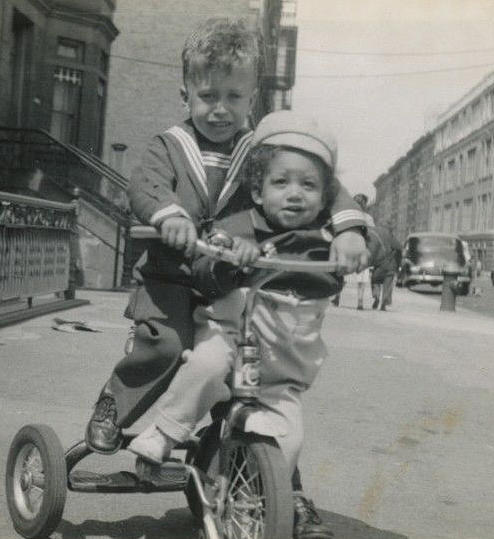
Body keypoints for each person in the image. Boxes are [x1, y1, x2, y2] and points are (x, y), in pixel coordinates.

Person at [85, 18, 368, 538]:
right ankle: (114, 405)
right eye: (207, 95)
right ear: (186, 93)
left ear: (252, 99)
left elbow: (326, 187)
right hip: (171, 277)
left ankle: (285, 491)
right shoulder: (169, 145)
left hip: (228, 284)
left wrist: (349, 231)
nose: (219, 108)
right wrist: (169, 214)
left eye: (233, 97)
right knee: (168, 347)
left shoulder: (260, 152)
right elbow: (144, 187)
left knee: (254, 386)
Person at [127, 110, 349, 538]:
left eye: (309, 185)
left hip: (282, 369)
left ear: (324, 199)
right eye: (281, 183)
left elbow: (370, 242)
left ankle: (262, 500)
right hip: (232, 340)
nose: (295, 194)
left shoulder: (327, 241)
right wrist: (231, 260)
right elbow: (206, 270)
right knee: (206, 366)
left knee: (289, 437)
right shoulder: (239, 225)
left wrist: (357, 244)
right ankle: (164, 432)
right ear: (259, 191)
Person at [331, 193, 375, 309]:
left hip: (347, 249)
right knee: (361, 279)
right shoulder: (368, 218)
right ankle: (359, 302)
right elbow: (372, 235)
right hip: (361, 249)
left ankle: (337, 296)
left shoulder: (347, 215)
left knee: (343, 275)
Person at [369, 225, 401, 311]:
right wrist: (398, 267)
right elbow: (400, 248)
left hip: (379, 266)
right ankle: (384, 302)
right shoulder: (393, 239)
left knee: (375, 281)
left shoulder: (379, 238)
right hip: (391, 266)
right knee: (387, 285)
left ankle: (376, 296)